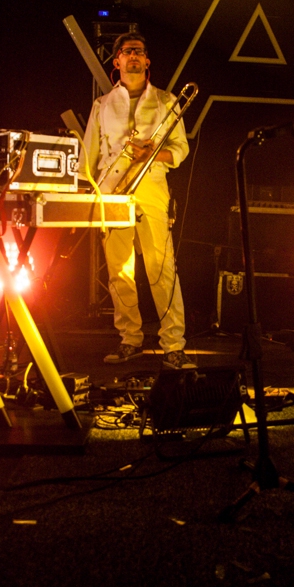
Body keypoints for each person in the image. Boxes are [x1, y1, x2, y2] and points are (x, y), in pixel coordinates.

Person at [78, 32, 195, 369]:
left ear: (147, 60)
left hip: (151, 189)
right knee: (120, 271)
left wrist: (152, 155)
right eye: (127, 51)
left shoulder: (166, 100)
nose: (133, 56)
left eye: (139, 51)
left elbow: (180, 149)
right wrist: (87, 195)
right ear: (116, 61)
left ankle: (173, 344)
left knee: (162, 269)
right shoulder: (101, 105)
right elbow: (89, 156)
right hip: (112, 191)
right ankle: (130, 339)